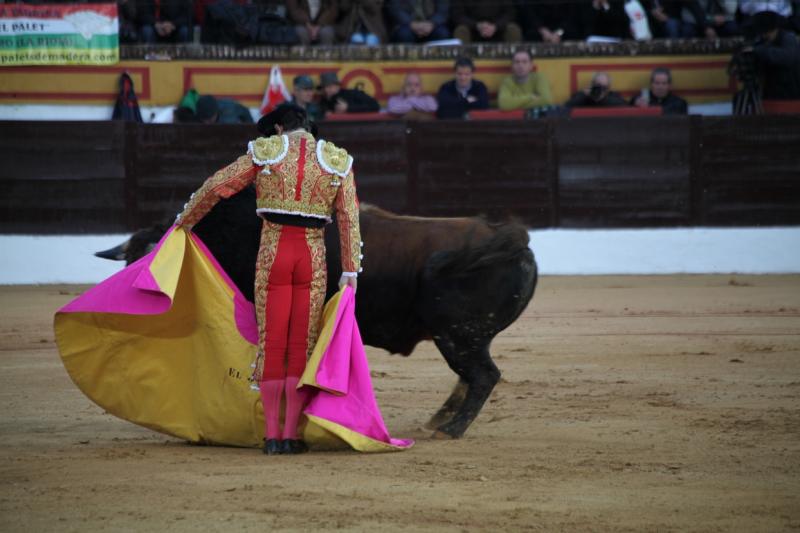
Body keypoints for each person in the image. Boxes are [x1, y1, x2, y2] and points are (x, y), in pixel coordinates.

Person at [174, 104, 362, 455]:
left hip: (274, 253)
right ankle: (292, 435)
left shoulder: (267, 152)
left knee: (273, 344)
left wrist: (183, 221)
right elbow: (350, 218)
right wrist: (350, 271)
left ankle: (272, 437)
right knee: (300, 346)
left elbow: (217, 186)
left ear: (278, 128)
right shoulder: (337, 160)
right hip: (311, 258)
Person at [750, 10, 800, 100]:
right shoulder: (760, 41)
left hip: (790, 88)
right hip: (770, 89)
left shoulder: (788, 38)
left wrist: (759, 50)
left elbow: (787, 57)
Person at [450, 0, 523, 43]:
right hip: (472, 30)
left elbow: (510, 12)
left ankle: (516, 62)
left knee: (513, 29)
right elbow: (457, 15)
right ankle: (463, 64)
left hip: (499, 29)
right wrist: (477, 25)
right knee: (461, 30)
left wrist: (495, 26)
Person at [386, 0, 451, 43]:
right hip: (405, 24)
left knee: (442, 33)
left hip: (431, 24)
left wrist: (432, 23)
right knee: (404, 34)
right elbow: (394, 8)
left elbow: (443, 9)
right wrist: (411, 23)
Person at [564, 72, 628, 108]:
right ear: (592, 84)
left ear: (608, 88)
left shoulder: (613, 96)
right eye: (598, 85)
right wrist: (584, 95)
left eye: (604, 87)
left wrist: (603, 99)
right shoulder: (584, 95)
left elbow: (626, 106)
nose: (600, 89)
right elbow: (567, 107)